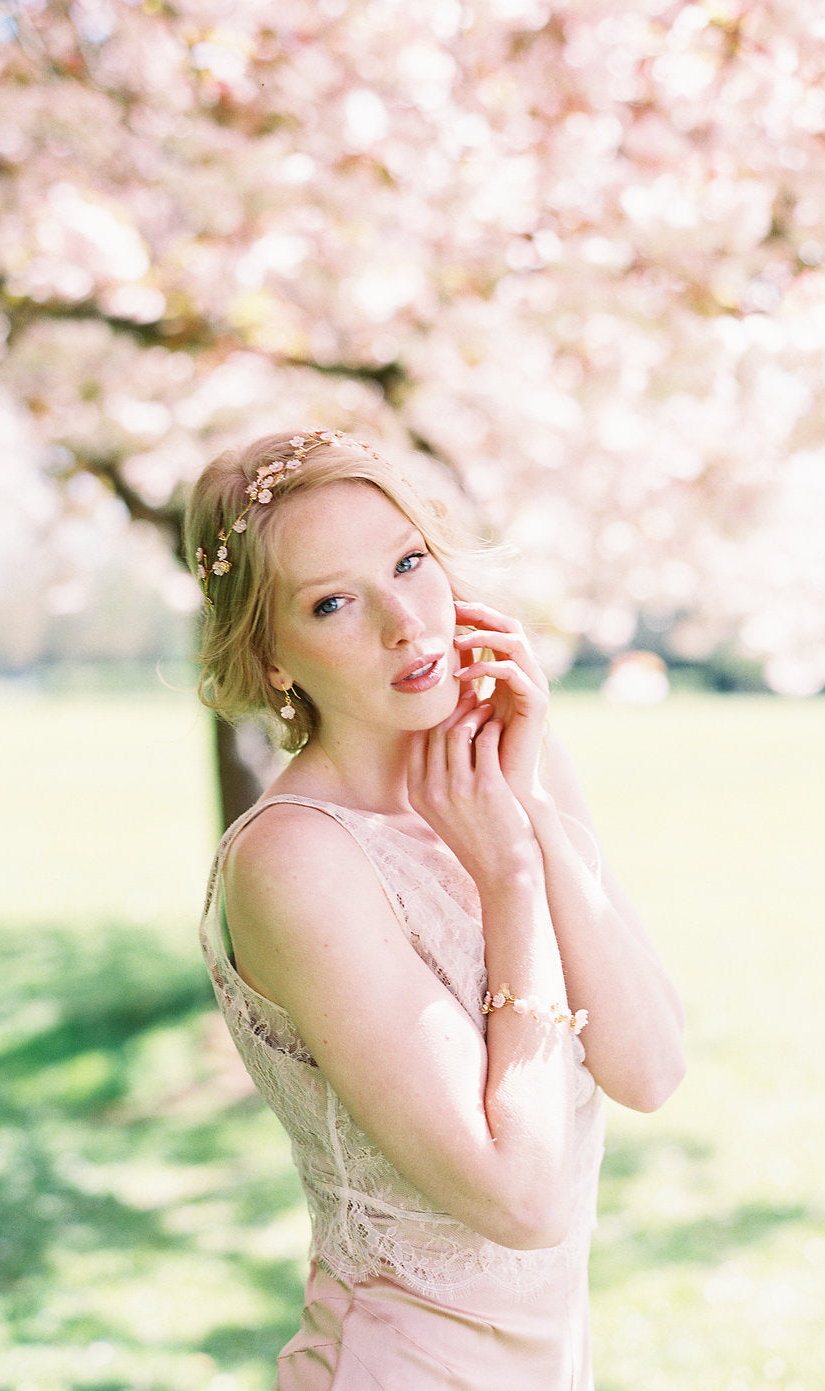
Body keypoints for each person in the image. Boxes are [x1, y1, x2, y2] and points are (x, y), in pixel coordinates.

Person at [188, 429, 685, 1390]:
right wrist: (511, 879)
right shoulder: (295, 857)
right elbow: (524, 1196)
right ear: (272, 655)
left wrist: (533, 807)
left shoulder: (509, 761)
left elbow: (651, 1067)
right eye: (332, 601)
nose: (405, 623)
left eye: (409, 562)